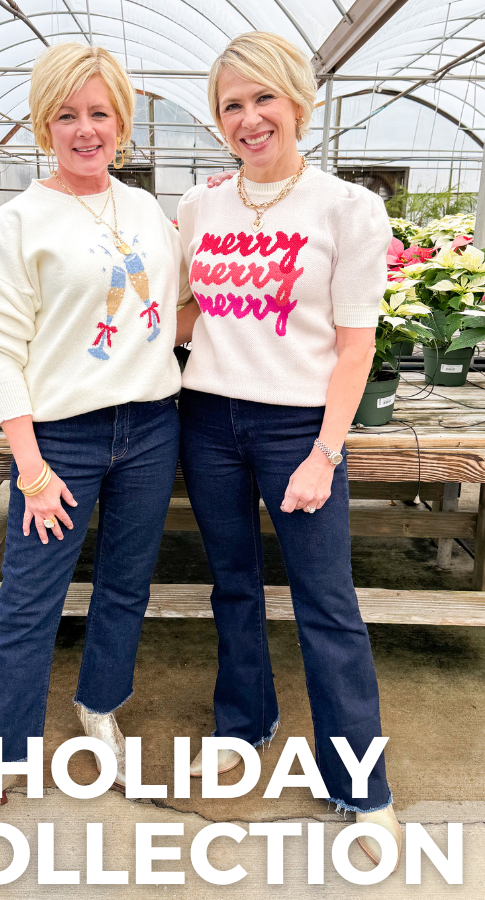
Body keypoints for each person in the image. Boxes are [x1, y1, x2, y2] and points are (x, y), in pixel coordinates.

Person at [0, 42, 190, 854]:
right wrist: (31, 468)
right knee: (27, 607)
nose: (85, 130)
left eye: (99, 113)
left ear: (123, 123)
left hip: (150, 427)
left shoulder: (146, 212)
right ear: (45, 124)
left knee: (124, 586)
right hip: (60, 441)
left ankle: (99, 708)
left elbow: (169, 317)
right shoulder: (21, 217)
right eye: (67, 115)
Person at [176, 31, 402, 869]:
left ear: (297, 102)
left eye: (262, 98)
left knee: (326, 601)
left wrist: (324, 452)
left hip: (296, 428)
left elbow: (355, 347)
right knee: (232, 583)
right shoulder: (202, 208)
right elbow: (190, 313)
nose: (248, 117)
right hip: (208, 418)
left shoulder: (346, 208)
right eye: (232, 105)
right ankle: (245, 721)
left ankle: (361, 780)